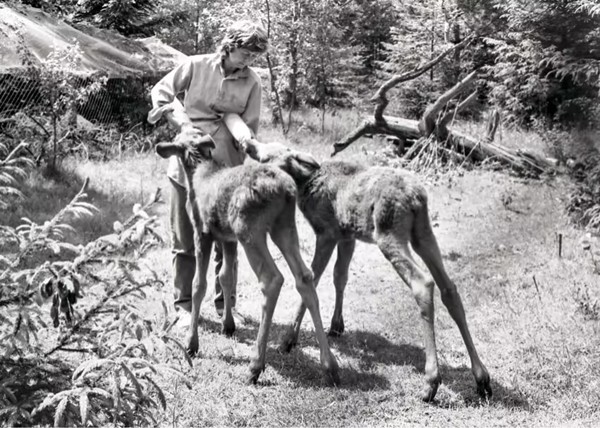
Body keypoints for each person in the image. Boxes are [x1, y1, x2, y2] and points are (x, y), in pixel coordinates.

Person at [147, 20, 269, 316]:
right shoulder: (196, 65)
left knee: (226, 240)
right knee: (185, 237)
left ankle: (224, 304)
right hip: (187, 167)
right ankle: (184, 306)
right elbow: (162, 92)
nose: (248, 60)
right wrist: (180, 122)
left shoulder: (252, 82)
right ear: (229, 45)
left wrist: (245, 141)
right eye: (245, 52)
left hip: (226, 171)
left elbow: (248, 127)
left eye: (254, 56)